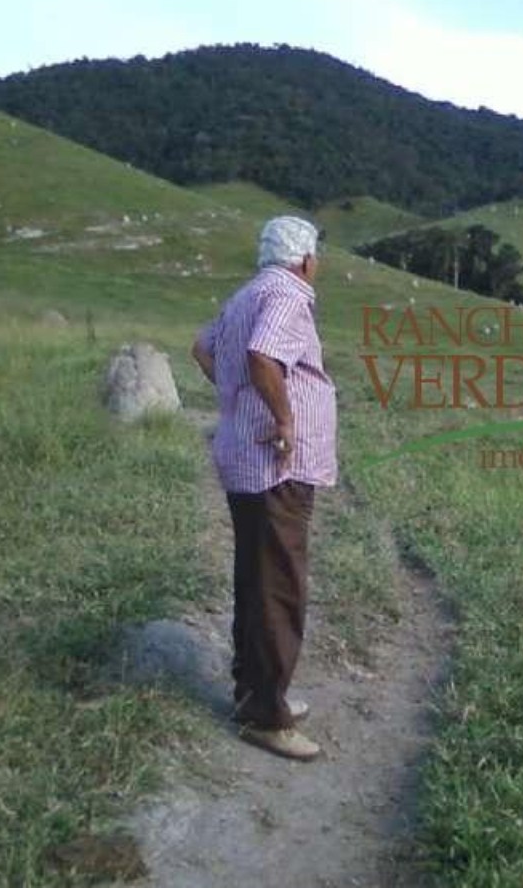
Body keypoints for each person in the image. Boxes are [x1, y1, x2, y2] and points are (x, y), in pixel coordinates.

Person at [191, 215, 337, 761]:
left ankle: (256, 693)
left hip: (243, 459)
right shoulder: (289, 294)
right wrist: (281, 418)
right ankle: (266, 718)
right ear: (305, 259)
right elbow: (262, 355)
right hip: (276, 465)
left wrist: (236, 401)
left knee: (258, 579)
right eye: (317, 257)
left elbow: (202, 348)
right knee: (279, 586)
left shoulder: (246, 293)